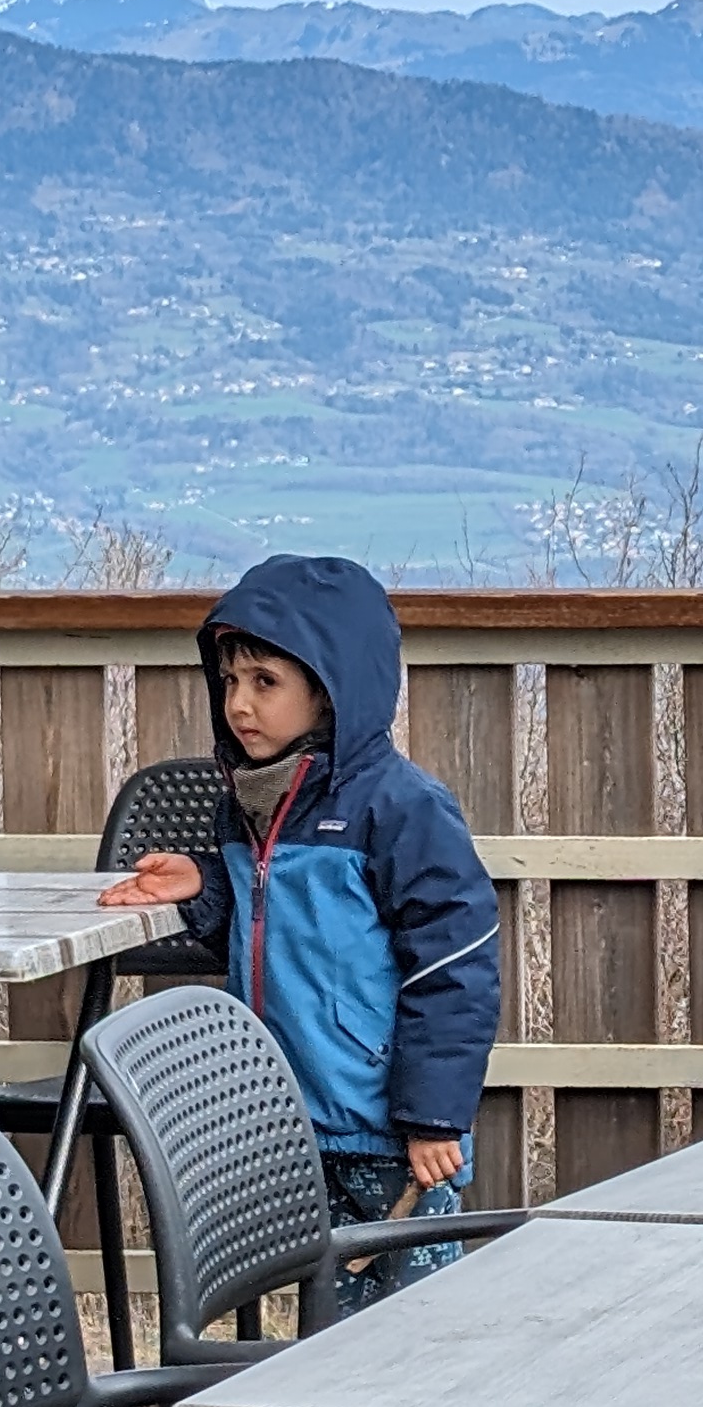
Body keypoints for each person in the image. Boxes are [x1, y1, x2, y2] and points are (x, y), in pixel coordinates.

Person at [103, 556, 498, 1299]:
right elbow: (279, 923)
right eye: (229, 681)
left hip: (390, 1132)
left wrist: (433, 1116)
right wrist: (207, 883)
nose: (239, 704)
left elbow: (456, 966)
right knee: (328, 1318)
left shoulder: (403, 808)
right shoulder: (247, 801)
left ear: (331, 688)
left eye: (266, 682)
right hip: (294, 1120)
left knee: (421, 1318)